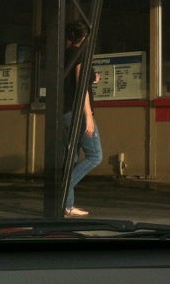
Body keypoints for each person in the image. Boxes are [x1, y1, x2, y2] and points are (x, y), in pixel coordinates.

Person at [61, 20, 104, 217]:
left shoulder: (64, 55)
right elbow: (81, 87)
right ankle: (64, 190)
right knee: (95, 156)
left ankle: (67, 206)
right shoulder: (81, 55)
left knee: (72, 158)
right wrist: (88, 116)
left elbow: (79, 80)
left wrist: (92, 78)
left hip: (65, 113)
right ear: (84, 38)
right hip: (78, 113)